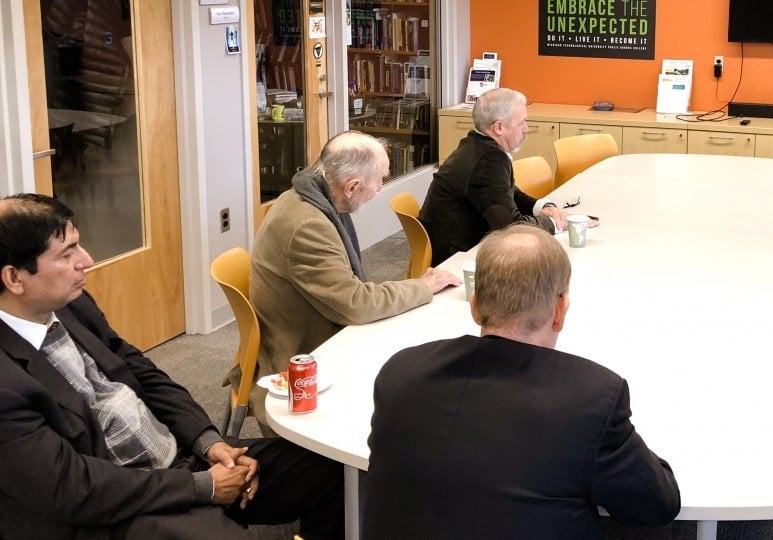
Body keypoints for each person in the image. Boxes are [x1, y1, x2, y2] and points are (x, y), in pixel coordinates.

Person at [0, 194, 343, 539]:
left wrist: (209, 444)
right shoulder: (6, 383)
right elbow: (73, 487)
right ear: (15, 278)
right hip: (115, 508)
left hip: (174, 459)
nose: (86, 261)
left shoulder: (70, 305)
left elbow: (144, 374)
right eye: (67, 253)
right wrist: (200, 486)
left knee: (334, 470)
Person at [363, 225, 680, 539]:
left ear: (474, 306)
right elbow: (657, 503)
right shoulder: (590, 399)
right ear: (559, 312)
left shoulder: (400, 371)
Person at [249, 130, 460, 433]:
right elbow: (356, 305)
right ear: (352, 187)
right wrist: (422, 286)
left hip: (316, 325)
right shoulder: (308, 225)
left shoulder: (305, 197)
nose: (381, 186)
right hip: (308, 354)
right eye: (380, 180)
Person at [420, 88, 586, 266]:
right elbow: (510, 228)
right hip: (456, 260)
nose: (526, 130)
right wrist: (555, 223)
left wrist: (541, 207)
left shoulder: (475, 145)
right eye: (521, 123)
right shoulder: (488, 160)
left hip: (451, 246)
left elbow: (505, 192)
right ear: (499, 127)